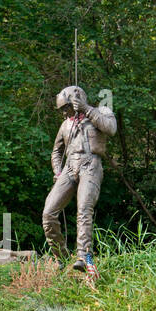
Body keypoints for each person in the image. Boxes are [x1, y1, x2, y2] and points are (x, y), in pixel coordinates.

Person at [42, 85, 117, 273]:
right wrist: (57, 171)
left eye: (66, 108)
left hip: (90, 164)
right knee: (48, 213)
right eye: (62, 110)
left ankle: (84, 256)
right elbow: (56, 151)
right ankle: (62, 256)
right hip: (69, 167)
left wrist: (85, 109)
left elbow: (111, 129)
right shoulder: (66, 124)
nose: (64, 113)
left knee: (84, 209)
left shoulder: (100, 112)